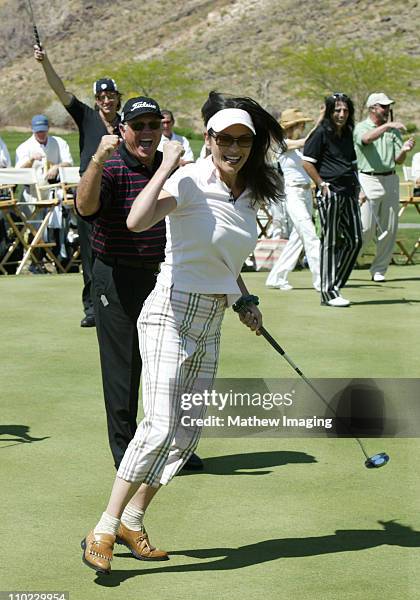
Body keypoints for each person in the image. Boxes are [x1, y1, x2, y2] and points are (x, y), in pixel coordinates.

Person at [80, 91, 285, 575]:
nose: (233, 148)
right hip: (169, 311)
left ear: (252, 145)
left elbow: (223, 259)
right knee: (157, 426)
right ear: (209, 139)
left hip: (212, 315)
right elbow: (135, 220)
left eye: (243, 141)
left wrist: (245, 299)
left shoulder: (250, 194)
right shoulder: (189, 178)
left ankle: (133, 519)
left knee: (185, 433)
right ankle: (104, 528)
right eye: (224, 139)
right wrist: (166, 166)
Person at [76, 96, 203, 475]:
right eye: (138, 126)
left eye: (153, 125)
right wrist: (97, 159)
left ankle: (173, 446)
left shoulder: (172, 168)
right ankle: (126, 453)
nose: (147, 132)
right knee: (124, 368)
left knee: (169, 365)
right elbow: (85, 208)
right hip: (116, 277)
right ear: (123, 130)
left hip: (161, 276)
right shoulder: (113, 166)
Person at [34, 44, 122, 326]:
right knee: (90, 252)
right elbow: (60, 90)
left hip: (120, 194)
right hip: (90, 194)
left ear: (118, 99)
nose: (107, 101)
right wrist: (45, 62)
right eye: (102, 97)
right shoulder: (86, 116)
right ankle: (93, 308)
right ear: (96, 101)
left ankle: (119, 303)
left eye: (111, 96)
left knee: (120, 250)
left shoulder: (127, 124)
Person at [303, 93, 362, 307]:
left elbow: (352, 163)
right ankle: (328, 293)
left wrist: (359, 188)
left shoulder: (347, 133)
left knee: (356, 240)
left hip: (349, 191)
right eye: (337, 110)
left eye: (345, 110)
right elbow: (307, 162)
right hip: (331, 191)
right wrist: (321, 183)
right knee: (330, 241)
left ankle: (333, 284)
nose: (342, 114)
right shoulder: (320, 132)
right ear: (330, 112)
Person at [354, 93, 416, 282]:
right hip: (368, 179)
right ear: (372, 108)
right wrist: (388, 126)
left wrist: (404, 151)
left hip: (390, 179)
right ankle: (347, 262)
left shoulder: (393, 132)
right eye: (383, 106)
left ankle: (379, 270)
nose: (387, 110)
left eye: (388, 106)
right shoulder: (361, 127)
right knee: (365, 228)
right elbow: (365, 139)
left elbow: (397, 159)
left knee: (389, 227)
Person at [266, 108, 321, 292]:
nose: (303, 127)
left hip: (305, 193)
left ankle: (276, 277)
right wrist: (321, 119)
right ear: (292, 126)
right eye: (301, 124)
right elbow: (308, 140)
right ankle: (321, 280)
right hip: (293, 194)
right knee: (311, 236)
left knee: (298, 239)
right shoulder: (283, 144)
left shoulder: (298, 146)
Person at [15, 114, 73, 273]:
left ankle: (59, 261)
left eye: (43, 131)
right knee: (36, 231)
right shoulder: (24, 147)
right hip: (32, 194)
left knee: (57, 228)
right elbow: (18, 173)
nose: (41, 134)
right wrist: (31, 160)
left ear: (48, 129)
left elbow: (68, 162)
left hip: (53, 192)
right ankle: (35, 264)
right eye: (37, 132)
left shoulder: (59, 142)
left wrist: (57, 167)